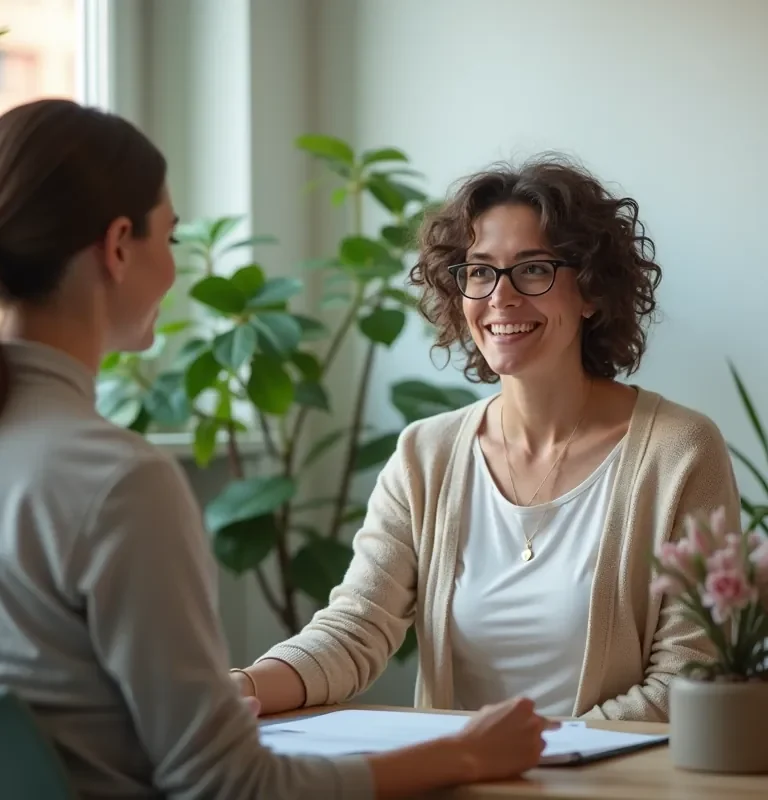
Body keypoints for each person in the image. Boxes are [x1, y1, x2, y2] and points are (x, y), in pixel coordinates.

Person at [0, 99, 555, 800]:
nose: (175, 270)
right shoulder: (118, 483)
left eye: (533, 269)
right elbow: (228, 784)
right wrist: (464, 758)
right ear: (117, 247)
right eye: (170, 239)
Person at [232, 154, 742, 722]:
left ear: (592, 291)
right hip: (461, 779)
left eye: (533, 269)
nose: (501, 295)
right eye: (479, 271)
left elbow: (687, 677)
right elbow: (355, 630)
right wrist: (241, 686)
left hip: (607, 781)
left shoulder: (681, 450)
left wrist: (531, 757)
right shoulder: (424, 455)